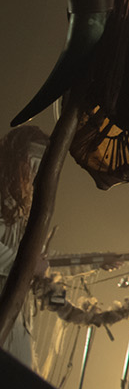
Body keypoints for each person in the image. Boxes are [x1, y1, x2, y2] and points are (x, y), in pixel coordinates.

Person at [0, 125, 48, 366]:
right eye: (34, 163)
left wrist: (98, 260)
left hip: (15, 316)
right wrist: (28, 265)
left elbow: (38, 258)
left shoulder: (21, 208)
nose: (36, 173)